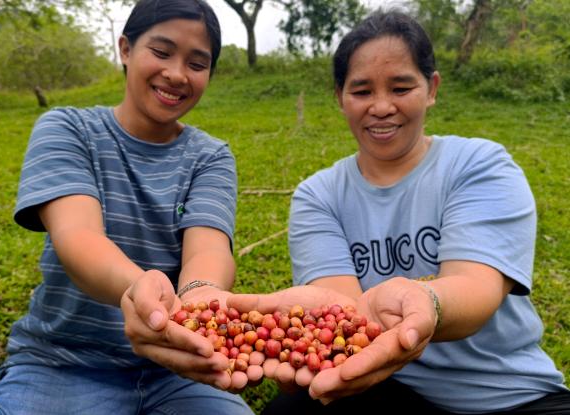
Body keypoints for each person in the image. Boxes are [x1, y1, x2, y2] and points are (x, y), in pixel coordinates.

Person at [228, 9, 570, 414]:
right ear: (339, 98)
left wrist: (424, 299)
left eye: (401, 87)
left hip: (507, 396)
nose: (382, 107)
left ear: (432, 88)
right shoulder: (318, 195)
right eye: (362, 91)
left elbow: (476, 289)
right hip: (387, 388)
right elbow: (345, 319)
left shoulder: (479, 164)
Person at [0, 1, 254, 414]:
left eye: (197, 64)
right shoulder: (68, 129)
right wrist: (139, 290)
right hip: (63, 363)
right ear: (125, 49)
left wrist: (200, 298)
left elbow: (209, 250)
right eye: (161, 53)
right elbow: (78, 235)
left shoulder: (211, 157)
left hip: (176, 367)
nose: (177, 75)